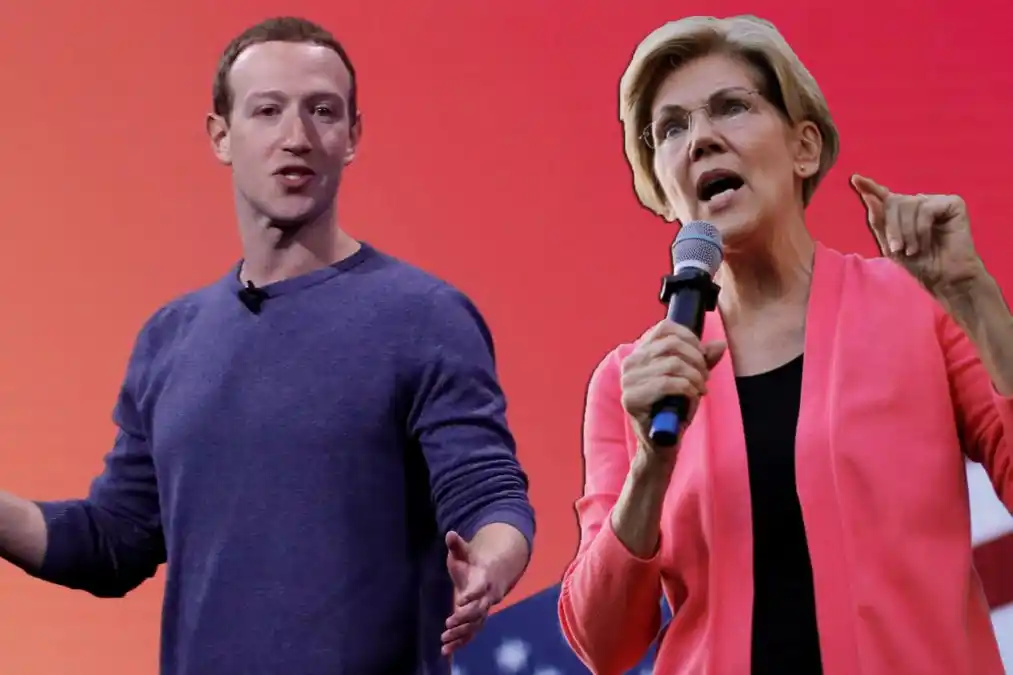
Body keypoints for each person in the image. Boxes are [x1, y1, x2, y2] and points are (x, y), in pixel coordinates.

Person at [0, 16, 535, 675]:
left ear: (352, 136)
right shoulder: (170, 338)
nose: (296, 137)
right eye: (267, 110)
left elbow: (489, 494)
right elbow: (113, 541)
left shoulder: (424, 317)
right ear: (221, 136)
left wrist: (490, 562)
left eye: (322, 111)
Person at [557, 14, 1013, 675]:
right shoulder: (630, 380)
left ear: (804, 148)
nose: (700, 139)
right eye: (671, 129)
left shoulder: (917, 305)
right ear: (663, 190)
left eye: (731, 107)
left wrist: (975, 300)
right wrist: (650, 466)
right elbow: (603, 644)